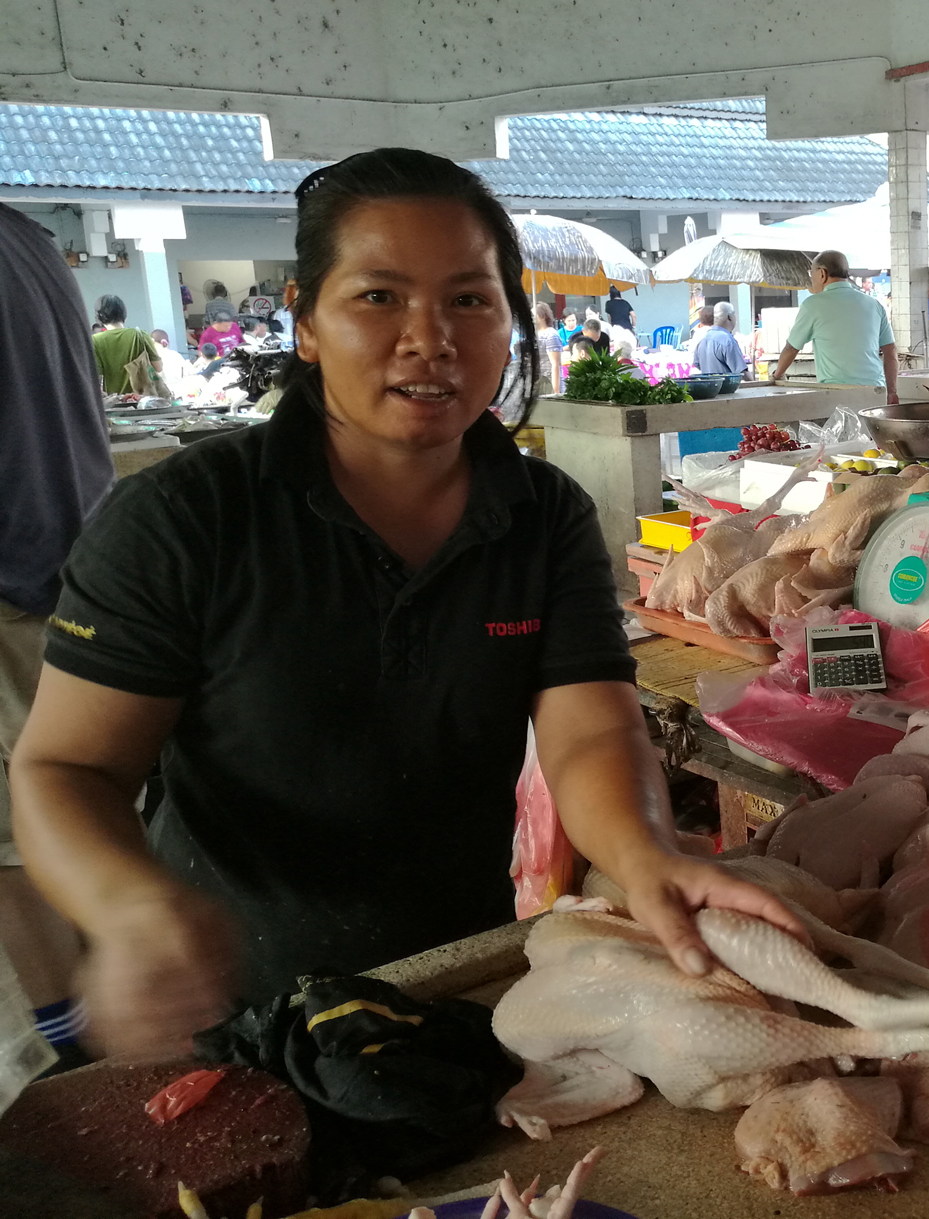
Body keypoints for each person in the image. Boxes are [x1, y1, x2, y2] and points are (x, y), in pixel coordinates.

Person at [9, 147, 802, 1059]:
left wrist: (646, 855)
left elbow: (590, 732)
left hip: (454, 982)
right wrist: (130, 911)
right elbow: (64, 771)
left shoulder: (541, 517)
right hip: (225, 1004)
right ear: (306, 322)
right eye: (378, 297)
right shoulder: (184, 519)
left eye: (469, 299)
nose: (431, 337)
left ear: (511, 323)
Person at [0, 202, 113, 1071]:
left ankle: (86, 1049)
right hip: (84, 560)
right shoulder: (27, 236)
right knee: (92, 789)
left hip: (9, 580)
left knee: (17, 833)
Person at [769, 250, 900, 404]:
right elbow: (890, 352)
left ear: (822, 274)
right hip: (876, 393)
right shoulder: (874, 305)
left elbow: (791, 349)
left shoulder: (813, 305)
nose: (811, 279)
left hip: (836, 396)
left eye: (812, 273)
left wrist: (777, 376)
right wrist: (892, 392)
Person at [89, 296, 160, 395]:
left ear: (99, 316)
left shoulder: (94, 341)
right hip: (143, 401)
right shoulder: (140, 335)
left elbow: (96, 377)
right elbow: (158, 367)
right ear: (124, 314)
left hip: (114, 402)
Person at [693, 301, 748, 377]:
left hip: (709, 387)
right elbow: (742, 373)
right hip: (726, 388)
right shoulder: (727, 340)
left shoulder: (703, 340)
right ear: (730, 317)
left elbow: (697, 364)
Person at [532, 301, 563, 395]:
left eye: (534, 315)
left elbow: (555, 364)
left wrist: (555, 390)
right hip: (537, 382)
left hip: (548, 381)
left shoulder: (551, 335)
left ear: (543, 316)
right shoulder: (533, 334)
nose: (532, 318)